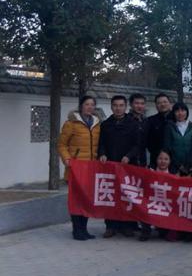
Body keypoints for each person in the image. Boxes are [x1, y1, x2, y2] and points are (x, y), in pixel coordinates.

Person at [58, 95, 101, 241]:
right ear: (81, 106)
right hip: (76, 168)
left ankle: (84, 229)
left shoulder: (97, 124)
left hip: (91, 168)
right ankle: (77, 230)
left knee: (87, 200)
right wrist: (67, 159)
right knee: (76, 200)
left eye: (92, 105)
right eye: (87, 104)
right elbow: (62, 144)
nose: (90, 107)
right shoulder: (71, 123)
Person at [98, 95, 140, 239]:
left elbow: (138, 145)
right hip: (110, 167)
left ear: (126, 107)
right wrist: (102, 154)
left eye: (121, 105)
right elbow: (101, 144)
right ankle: (110, 226)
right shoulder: (106, 124)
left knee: (127, 195)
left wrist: (129, 156)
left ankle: (127, 225)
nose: (118, 108)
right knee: (111, 196)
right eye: (115, 105)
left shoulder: (133, 124)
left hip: (128, 166)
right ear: (111, 107)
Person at [139, 149, 173, 242]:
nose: (163, 161)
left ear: (170, 161)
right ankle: (145, 231)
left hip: (166, 206)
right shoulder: (150, 173)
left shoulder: (174, 175)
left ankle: (163, 229)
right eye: (160, 158)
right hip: (151, 204)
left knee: (164, 233)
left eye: (166, 159)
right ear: (156, 159)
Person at [163, 102, 192, 175]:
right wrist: (178, 165)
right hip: (173, 166)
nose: (180, 113)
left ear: (187, 112)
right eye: (177, 111)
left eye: (183, 110)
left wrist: (187, 165)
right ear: (174, 113)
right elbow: (167, 147)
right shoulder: (169, 127)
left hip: (190, 166)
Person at [146, 93, 172, 168]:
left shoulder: (176, 119)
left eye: (165, 102)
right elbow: (148, 142)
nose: (162, 104)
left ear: (170, 103)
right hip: (156, 160)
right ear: (156, 105)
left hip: (174, 161)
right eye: (159, 103)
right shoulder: (150, 121)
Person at [129, 93, 148, 167]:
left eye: (142, 103)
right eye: (136, 103)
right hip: (128, 160)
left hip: (142, 160)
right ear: (131, 104)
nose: (139, 106)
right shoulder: (126, 120)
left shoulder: (146, 121)